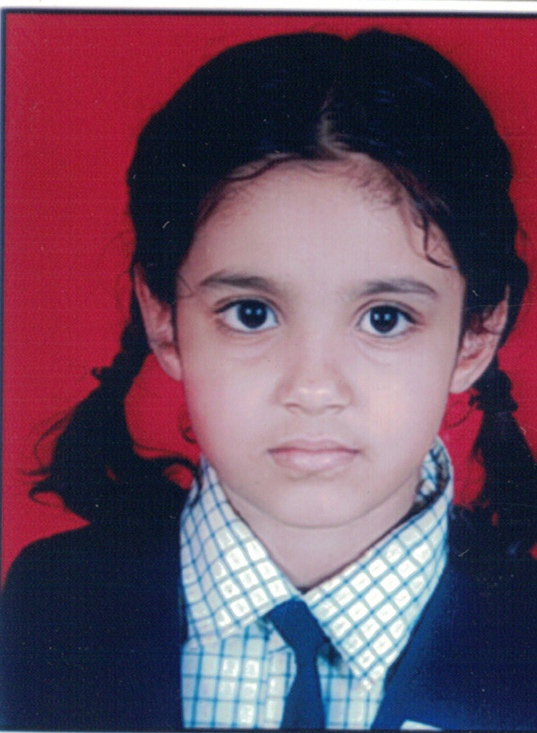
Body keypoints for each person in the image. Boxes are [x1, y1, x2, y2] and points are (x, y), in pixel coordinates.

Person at [3, 27, 537, 732]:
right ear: (163, 317)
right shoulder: (47, 609)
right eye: (251, 313)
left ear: (477, 334)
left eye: (384, 318)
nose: (312, 388)